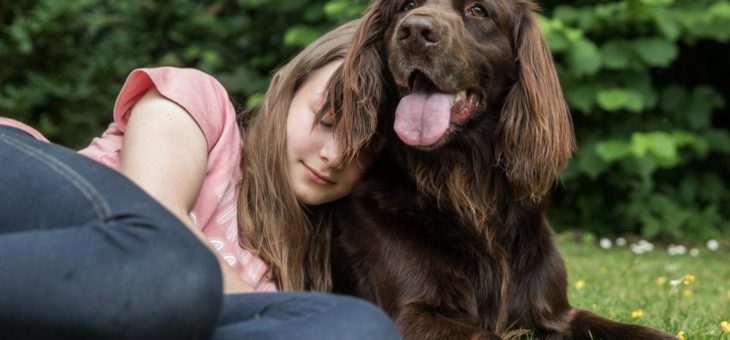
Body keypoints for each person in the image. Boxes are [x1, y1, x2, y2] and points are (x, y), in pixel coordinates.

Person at [0, 19, 398, 340]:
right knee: (177, 267)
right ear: (289, 87)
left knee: (360, 329)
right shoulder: (206, 109)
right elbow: (157, 221)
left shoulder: (291, 287)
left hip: (60, 312)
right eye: (329, 118)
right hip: (20, 202)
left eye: (365, 148)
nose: (334, 155)